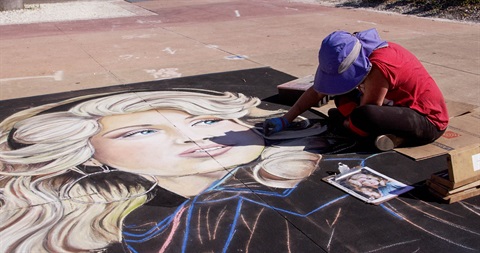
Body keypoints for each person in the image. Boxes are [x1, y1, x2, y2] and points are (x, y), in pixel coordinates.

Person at [0, 90, 323, 252]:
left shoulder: (310, 187)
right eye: (141, 131)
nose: (190, 136)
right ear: (88, 157)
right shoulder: (139, 231)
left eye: (207, 121)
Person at [264, 28, 449, 151]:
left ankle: (345, 124)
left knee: (364, 117)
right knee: (341, 96)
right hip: (394, 107)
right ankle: (351, 125)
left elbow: (370, 111)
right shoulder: (359, 50)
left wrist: (345, 121)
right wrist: (286, 119)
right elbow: (318, 90)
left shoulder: (380, 65)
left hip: (427, 121)